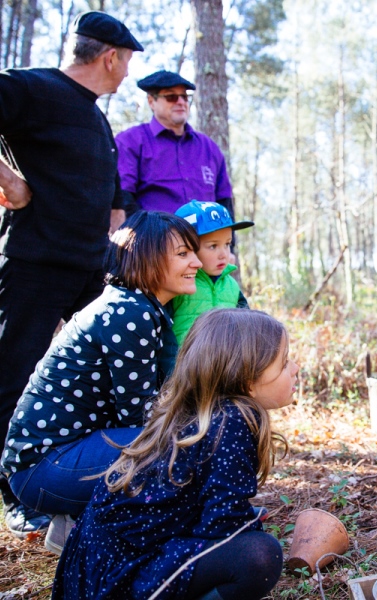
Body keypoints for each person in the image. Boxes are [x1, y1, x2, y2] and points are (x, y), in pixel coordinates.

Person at [0, 10, 143, 537]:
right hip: (36, 264)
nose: (126, 73)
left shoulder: (94, 115)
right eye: (126, 63)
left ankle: (78, 484)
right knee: (14, 376)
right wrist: (11, 183)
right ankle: (17, 497)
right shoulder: (31, 88)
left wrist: (119, 238)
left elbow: (109, 195)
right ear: (110, 57)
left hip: (91, 272)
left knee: (92, 383)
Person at [52, 309, 297, 600]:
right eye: (283, 364)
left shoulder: (199, 415)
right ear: (246, 380)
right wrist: (248, 523)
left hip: (98, 568)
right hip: (123, 577)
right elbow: (223, 526)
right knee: (259, 555)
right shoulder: (232, 421)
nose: (294, 367)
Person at [1, 211, 202, 551]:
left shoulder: (142, 307)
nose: (196, 261)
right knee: (177, 444)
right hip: (43, 466)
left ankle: (76, 527)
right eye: (183, 253)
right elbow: (140, 416)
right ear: (147, 257)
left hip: (57, 460)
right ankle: (175, 529)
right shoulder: (129, 311)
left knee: (182, 436)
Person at [115, 70, 234, 217]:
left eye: (185, 97)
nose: (181, 102)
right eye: (171, 96)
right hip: (155, 238)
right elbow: (123, 199)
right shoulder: (131, 142)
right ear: (151, 101)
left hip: (206, 239)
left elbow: (225, 203)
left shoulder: (209, 148)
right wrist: (147, 236)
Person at [171, 200, 254, 345]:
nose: (223, 254)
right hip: (184, 365)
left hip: (224, 365)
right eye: (213, 246)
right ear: (187, 247)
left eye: (227, 244)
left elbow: (247, 328)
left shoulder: (232, 286)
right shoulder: (178, 285)